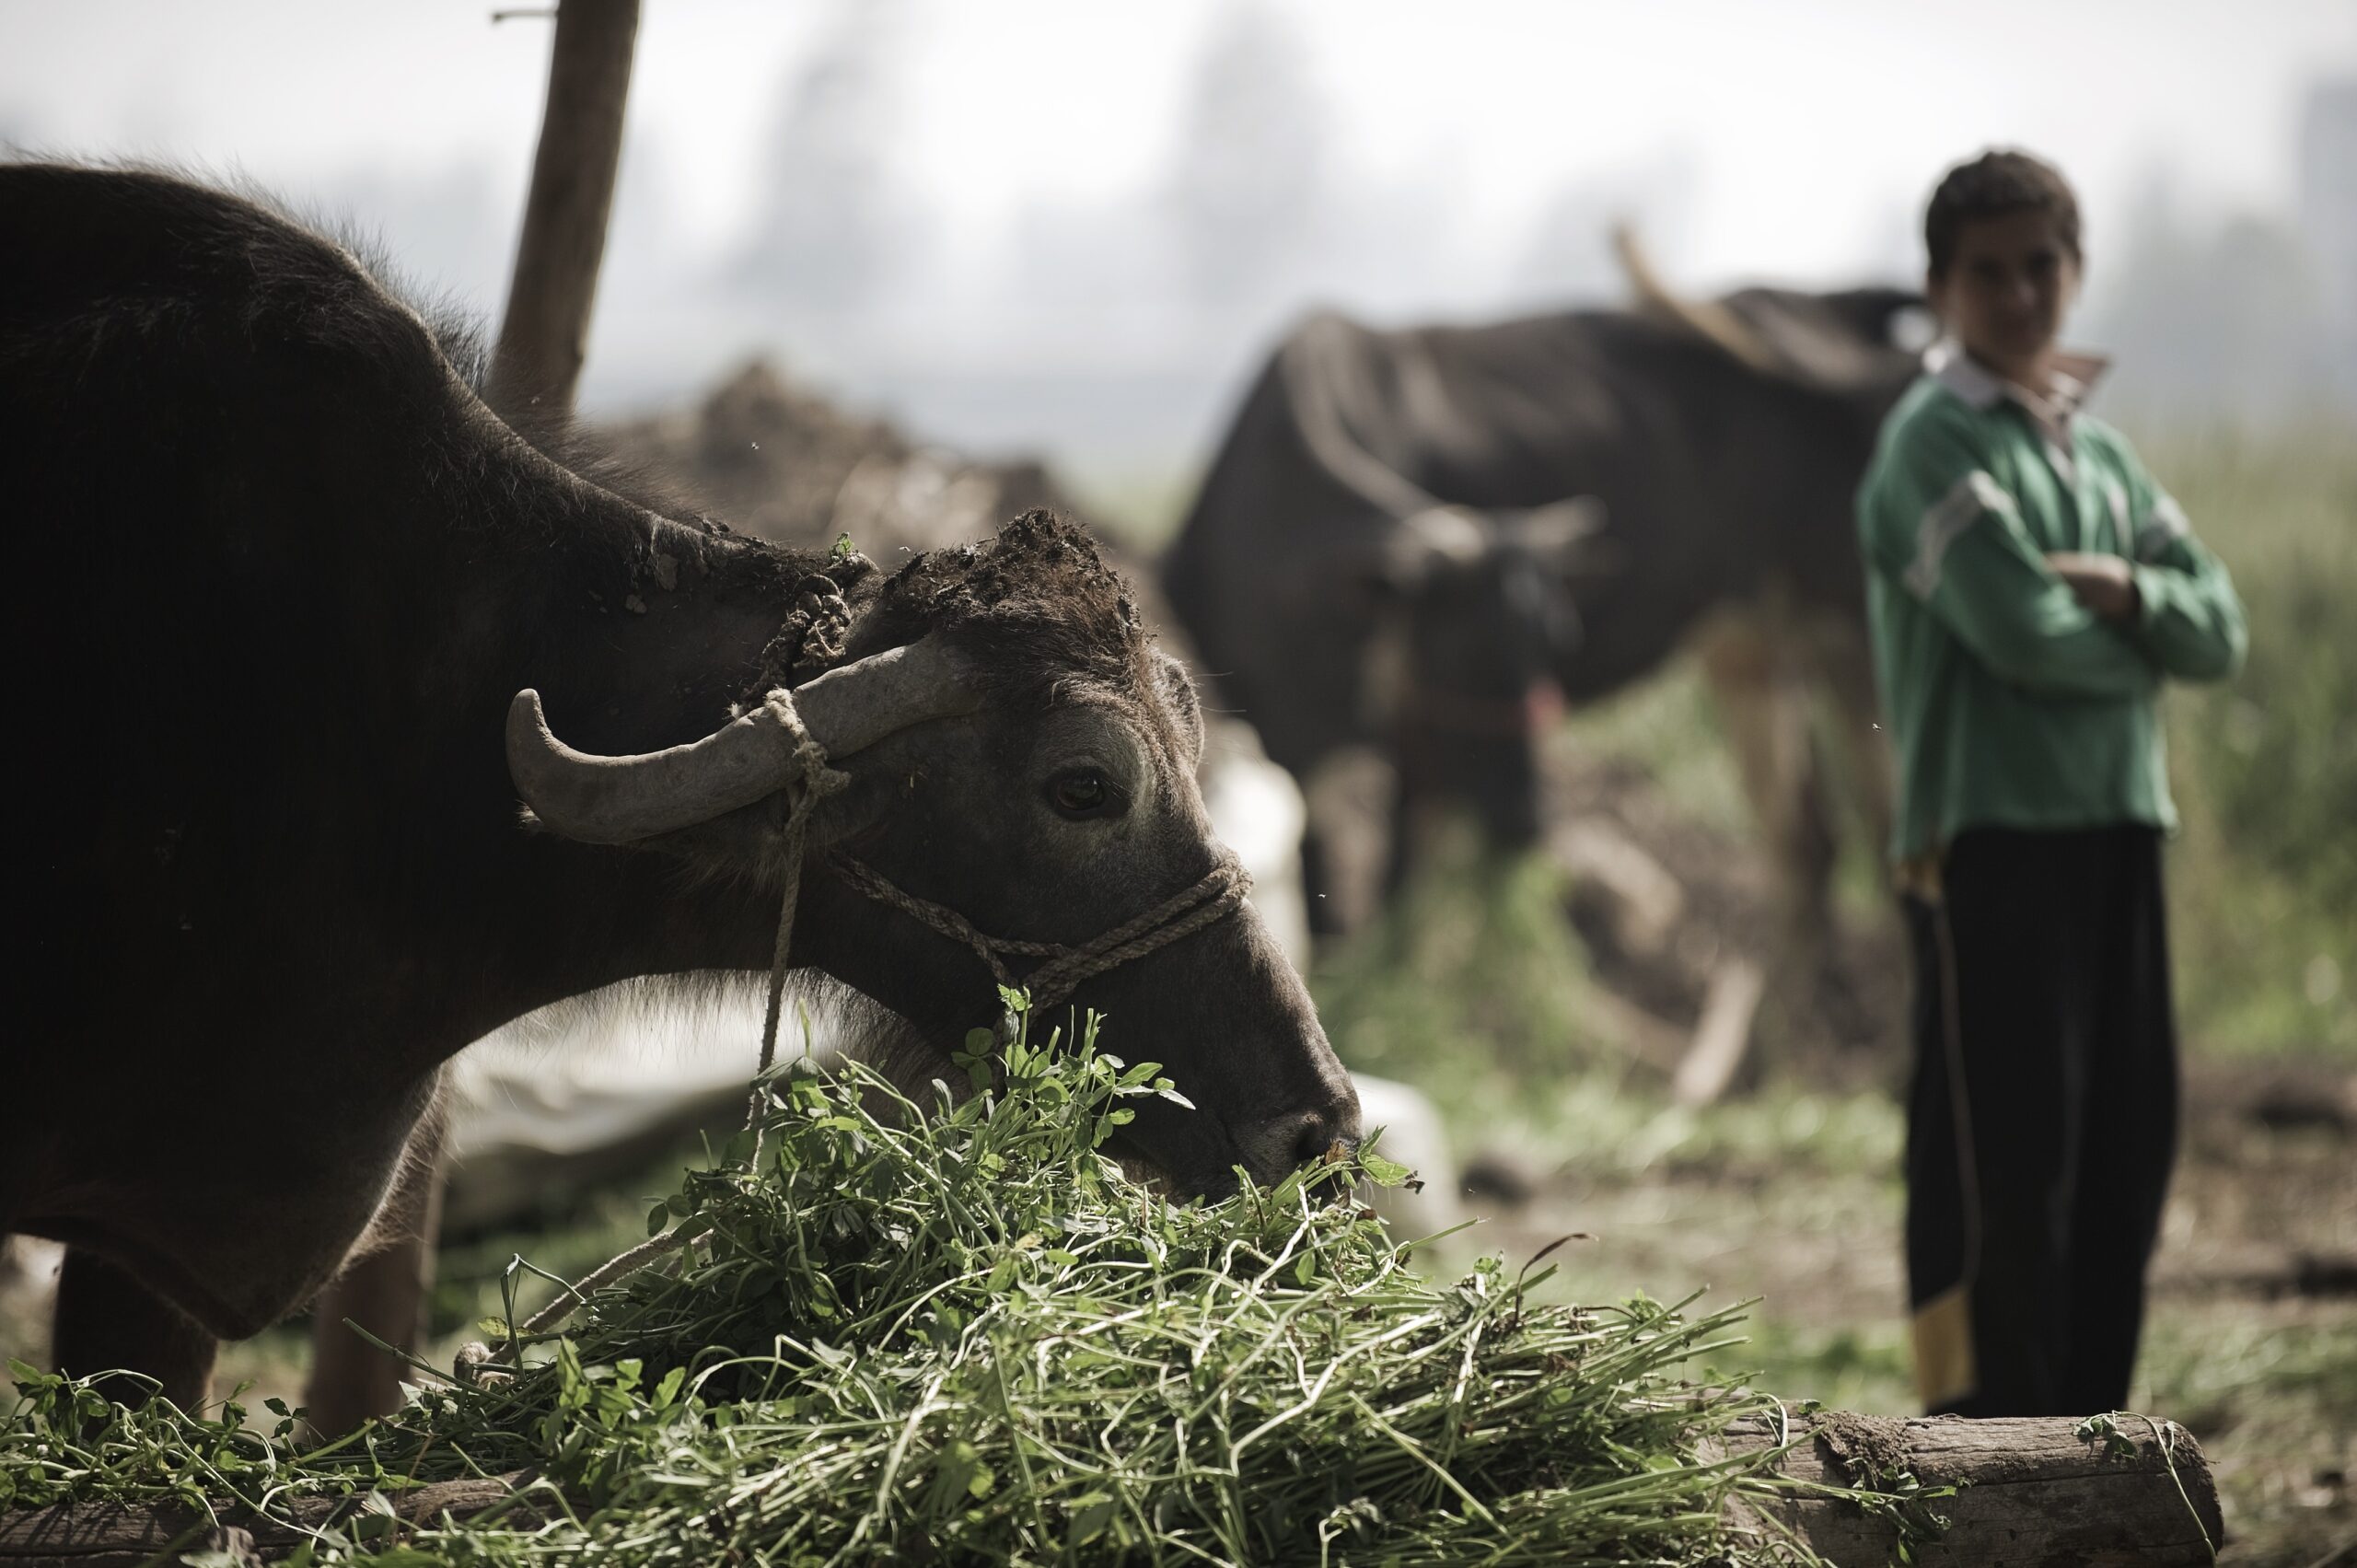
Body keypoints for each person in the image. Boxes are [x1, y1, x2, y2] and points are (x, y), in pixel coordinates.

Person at [1855, 150, 2246, 1417]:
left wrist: (2131, 594)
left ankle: (2093, 1452)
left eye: (2041, 266)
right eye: (1988, 273)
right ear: (1938, 288)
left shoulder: (2107, 459)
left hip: (2118, 835)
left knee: (2124, 1158)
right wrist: (2145, 648)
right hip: (1990, 849)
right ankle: (1992, 1466)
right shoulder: (1931, 445)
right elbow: (2019, 633)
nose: (2019, 295)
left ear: (2074, 273)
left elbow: (2221, 630)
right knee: (2006, 1175)